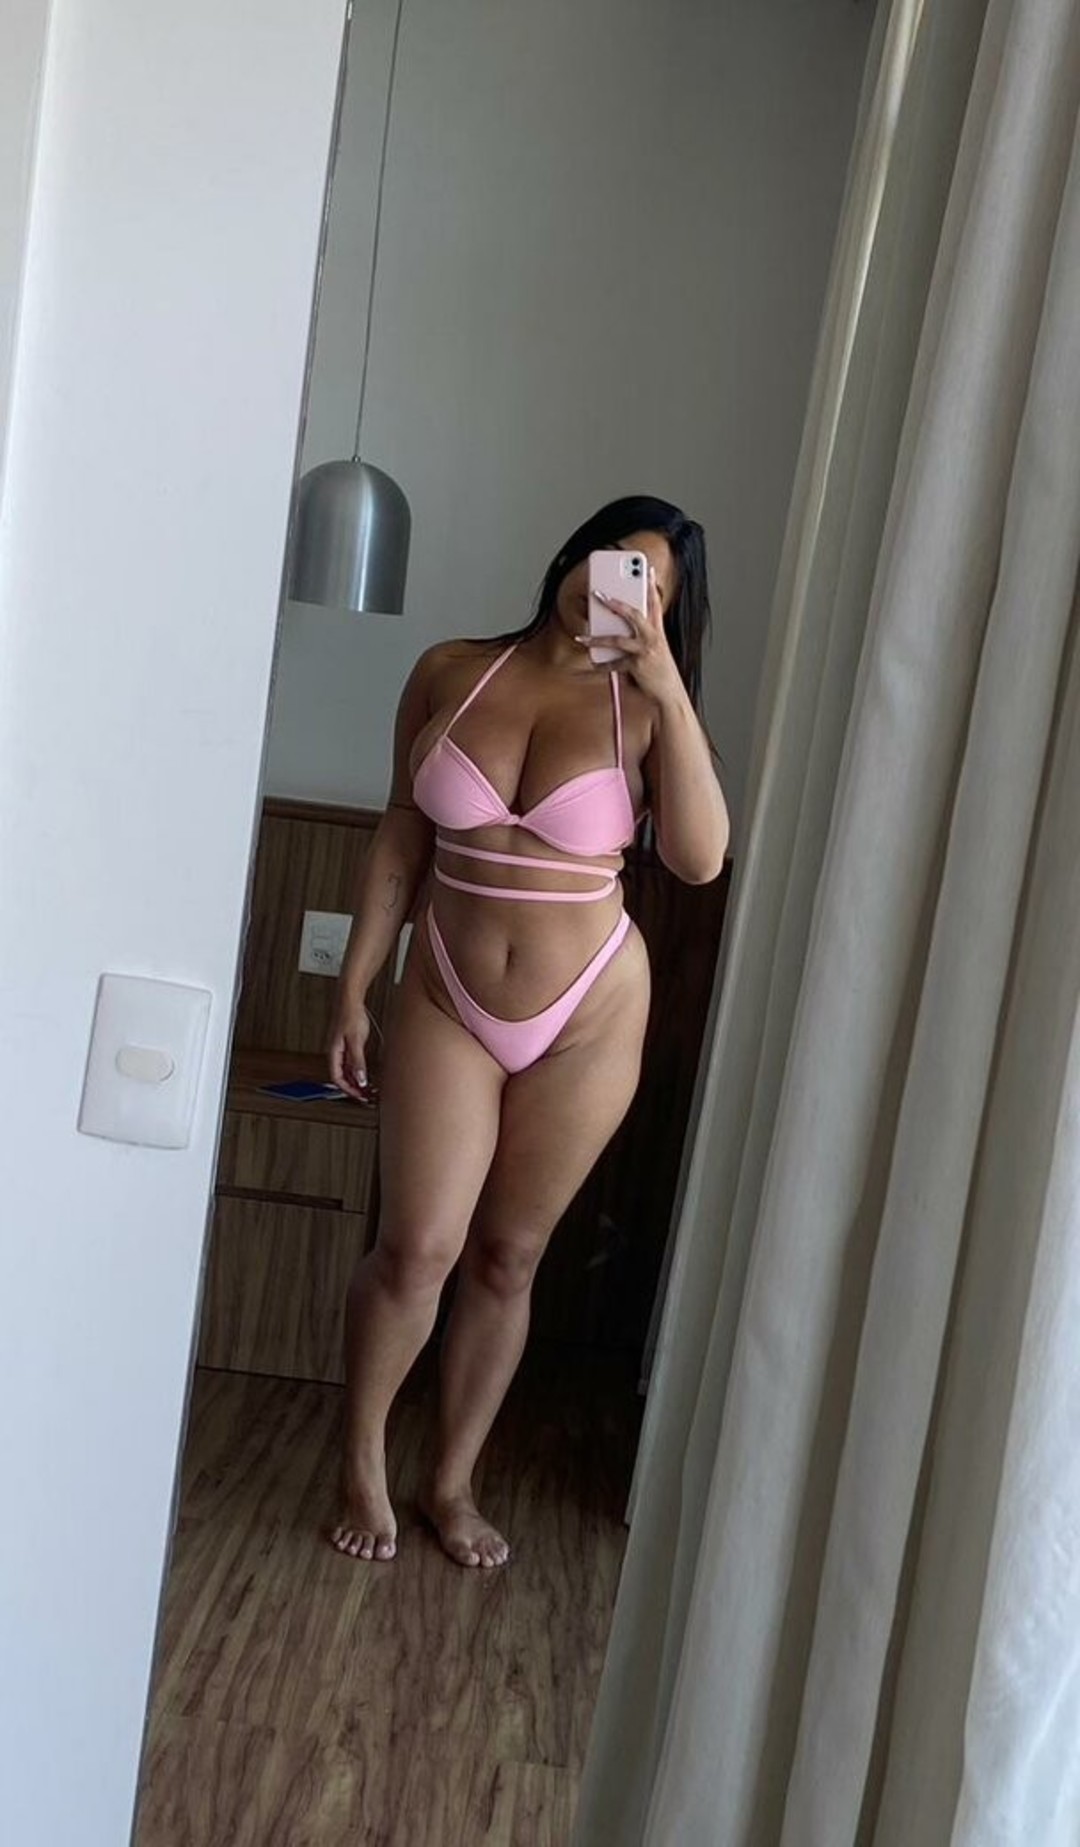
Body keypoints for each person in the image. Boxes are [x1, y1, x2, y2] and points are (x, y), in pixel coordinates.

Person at [327, 495, 729, 1568]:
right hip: (446, 989)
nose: (615, 590)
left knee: (509, 1255)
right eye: (613, 560)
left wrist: (668, 686)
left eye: (649, 586)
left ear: (666, 612)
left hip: (589, 1010)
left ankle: (450, 1481)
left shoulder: (649, 711)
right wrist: (353, 984)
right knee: (416, 1246)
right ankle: (361, 1456)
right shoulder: (452, 669)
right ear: (573, 554)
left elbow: (698, 860)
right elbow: (402, 831)